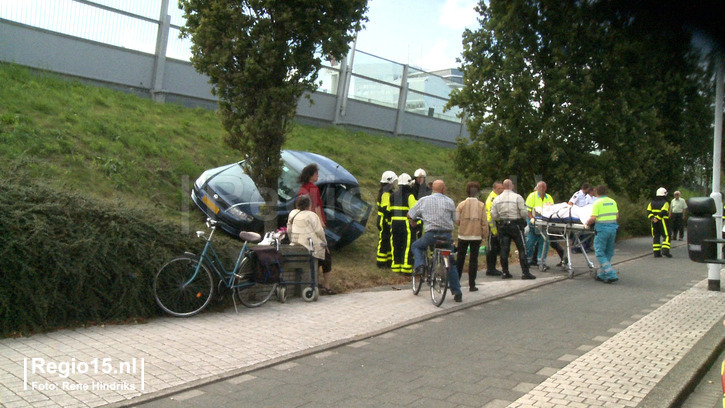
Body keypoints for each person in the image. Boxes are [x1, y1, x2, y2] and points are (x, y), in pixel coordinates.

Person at [408, 180, 463, 302]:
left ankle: (420, 265)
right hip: (446, 235)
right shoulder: (449, 201)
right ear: (444, 189)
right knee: (451, 262)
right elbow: (455, 219)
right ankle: (457, 292)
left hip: (431, 234)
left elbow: (410, 214)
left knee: (416, 246)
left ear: (432, 189)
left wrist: (413, 220)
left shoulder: (424, 200)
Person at [297, 164, 334, 294]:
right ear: (311, 175)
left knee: (316, 256)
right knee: (325, 255)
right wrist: (321, 223)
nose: (318, 176)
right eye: (316, 174)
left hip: (304, 228)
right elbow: (316, 206)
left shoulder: (302, 189)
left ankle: (316, 283)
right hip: (314, 226)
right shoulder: (313, 188)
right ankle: (326, 287)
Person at [490, 179, 536, 280]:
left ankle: (505, 272)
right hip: (516, 225)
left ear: (503, 186)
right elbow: (524, 213)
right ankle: (525, 272)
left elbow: (493, 215)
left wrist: (500, 218)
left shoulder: (497, 199)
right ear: (512, 186)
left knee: (504, 249)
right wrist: (522, 219)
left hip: (503, 225)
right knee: (521, 248)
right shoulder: (517, 197)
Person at [287, 194, 329, 288]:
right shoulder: (312, 215)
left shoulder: (292, 213)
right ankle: (325, 285)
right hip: (309, 245)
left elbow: (289, 230)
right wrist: (325, 243)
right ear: (308, 205)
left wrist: (292, 240)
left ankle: (319, 282)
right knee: (326, 256)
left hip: (295, 243)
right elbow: (319, 231)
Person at [456, 181, 489, 291]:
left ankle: (457, 282)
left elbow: (457, 220)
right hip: (476, 236)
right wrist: (484, 235)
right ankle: (472, 284)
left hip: (463, 235)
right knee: (473, 260)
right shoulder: (481, 205)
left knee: (460, 259)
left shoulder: (461, 205)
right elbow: (484, 222)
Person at [585, 185, 619, 283]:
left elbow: (593, 218)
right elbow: (617, 216)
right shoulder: (612, 201)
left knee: (599, 252)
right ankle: (602, 274)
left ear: (596, 192)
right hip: (613, 229)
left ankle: (611, 273)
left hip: (602, 230)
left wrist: (586, 224)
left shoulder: (597, 203)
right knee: (608, 252)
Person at [390, 173, 417, 274]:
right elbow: (415, 211)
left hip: (394, 223)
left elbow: (389, 210)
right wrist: (417, 223)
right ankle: (406, 268)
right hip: (406, 224)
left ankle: (396, 267)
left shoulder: (392, 195)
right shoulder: (410, 196)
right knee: (407, 245)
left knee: (395, 244)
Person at [525, 181, 553, 269]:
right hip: (533, 221)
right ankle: (527, 260)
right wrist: (531, 218)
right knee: (530, 242)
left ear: (545, 188)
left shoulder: (549, 197)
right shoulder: (532, 196)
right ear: (537, 188)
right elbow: (528, 210)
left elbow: (551, 210)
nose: (541, 189)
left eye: (543, 187)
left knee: (544, 242)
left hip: (544, 222)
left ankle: (541, 261)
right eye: (540, 187)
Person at [376, 171, 397, 268]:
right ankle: (381, 262)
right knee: (384, 240)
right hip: (383, 220)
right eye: (393, 182)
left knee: (388, 240)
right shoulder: (385, 194)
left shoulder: (386, 192)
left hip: (384, 220)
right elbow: (385, 209)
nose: (394, 184)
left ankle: (387, 261)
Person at [484, 181, 504, 276]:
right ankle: (490, 269)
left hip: (497, 225)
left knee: (495, 248)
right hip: (493, 226)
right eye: (499, 188)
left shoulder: (498, 197)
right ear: (494, 189)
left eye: (502, 188)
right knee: (492, 248)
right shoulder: (492, 199)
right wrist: (494, 230)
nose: (501, 190)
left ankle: (493, 267)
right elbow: (490, 217)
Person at [648, 187, 672, 258]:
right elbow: (664, 211)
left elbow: (648, 211)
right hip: (663, 221)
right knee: (667, 235)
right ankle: (665, 251)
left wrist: (653, 218)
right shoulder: (665, 202)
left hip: (653, 222)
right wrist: (658, 218)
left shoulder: (651, 202)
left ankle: (656, 253)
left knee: (656, 236)